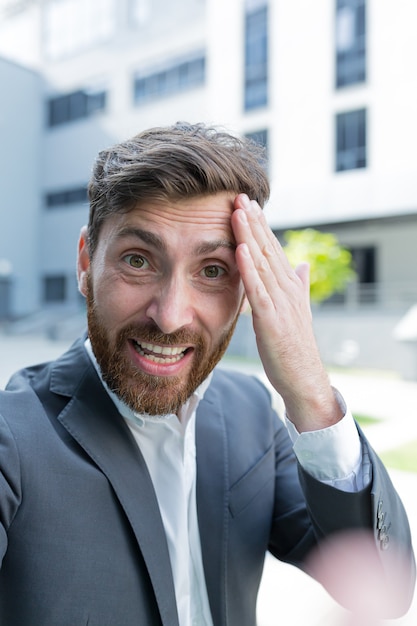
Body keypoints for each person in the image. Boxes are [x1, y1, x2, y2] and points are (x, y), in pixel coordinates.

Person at [0, 122, 414, 626]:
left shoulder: (251, 413)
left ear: (249, 288)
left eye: (213, 271)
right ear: (86, 261)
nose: (171, 315)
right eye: (138, 260)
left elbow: (385, 591)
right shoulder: (12, 439)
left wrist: (308, 389)